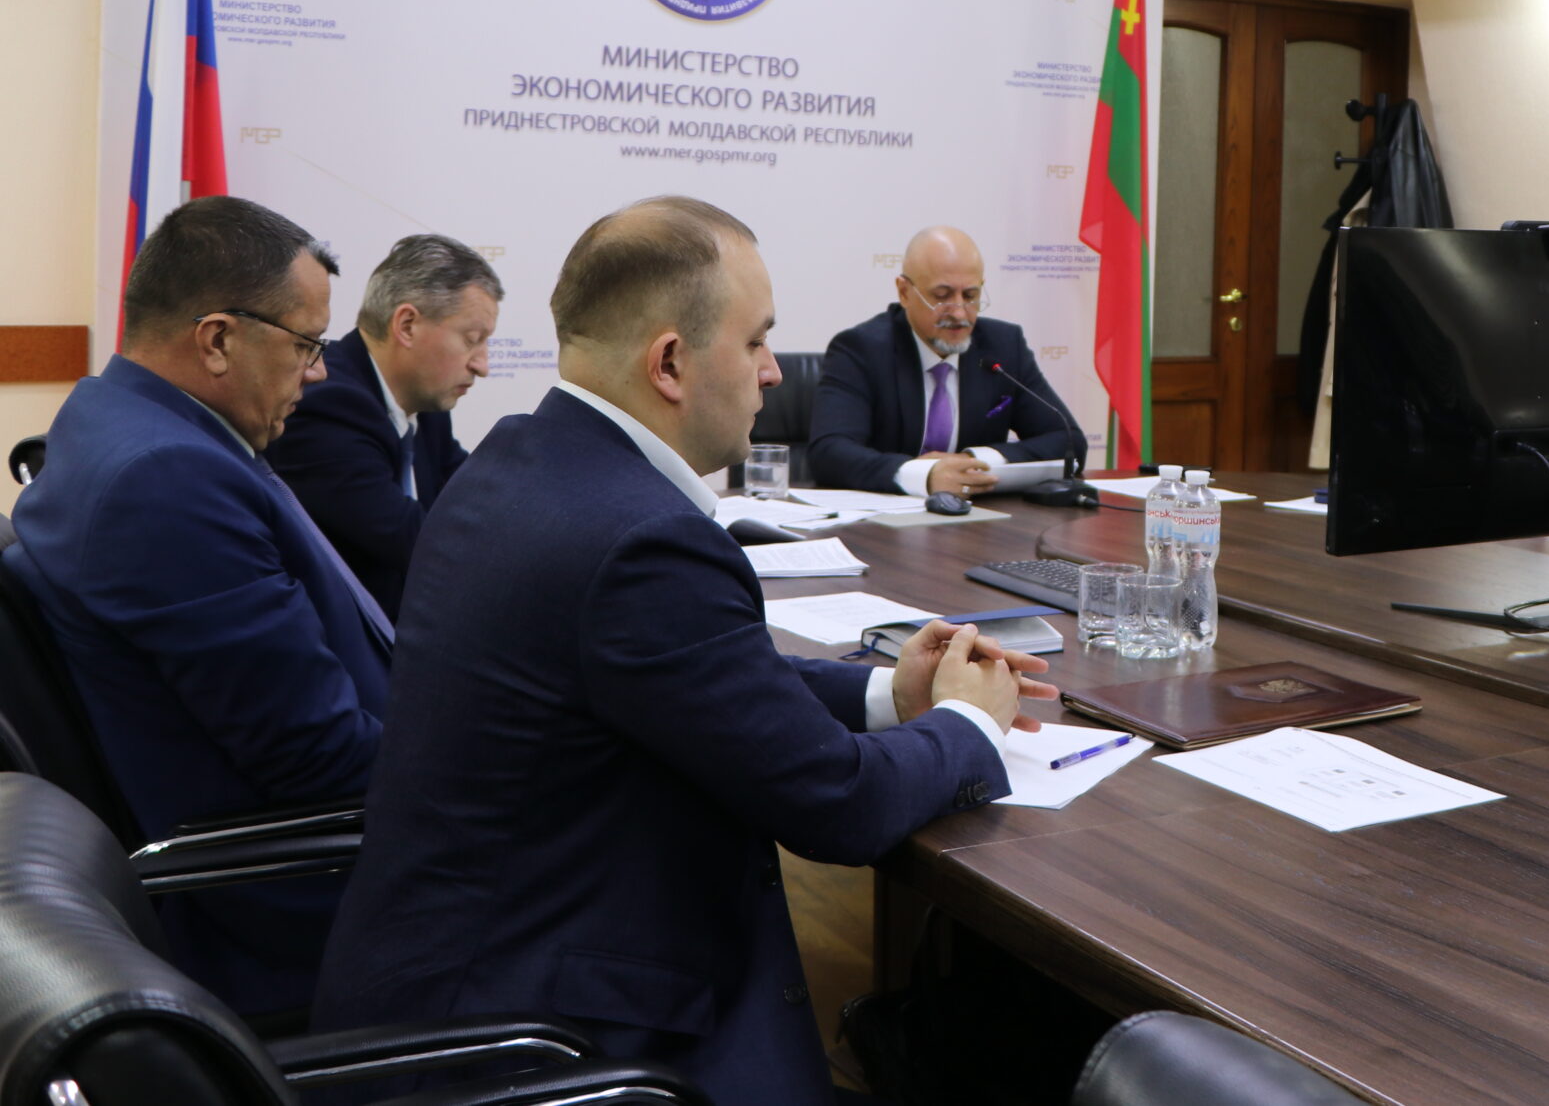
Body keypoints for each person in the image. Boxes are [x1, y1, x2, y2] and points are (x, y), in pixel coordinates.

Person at [311, 197, 1052, 1106]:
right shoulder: (642, 541)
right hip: (537, 1037)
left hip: (451, 964)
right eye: (757, 341)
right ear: (668, 362)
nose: (774, 371)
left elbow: (690, 678)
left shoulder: (519, 458)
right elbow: (838, 803)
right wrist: (970, 722)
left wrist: (887, 694)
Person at [3, 196, 390, 1015]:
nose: (319, 372)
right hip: (307, 895)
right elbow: (320, 758)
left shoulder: (114, 418)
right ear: (217, 339)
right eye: (307, 344)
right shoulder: (166, 479)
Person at [267, 234, 501, 617]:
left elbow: (477, 493)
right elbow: (422, 546)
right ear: (407, 325)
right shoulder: (326, 406)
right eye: (472, 340)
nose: (483, 365)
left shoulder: (427, 401)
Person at [809, 224, 1082, 495]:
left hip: (978, 514)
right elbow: (829, 452)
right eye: (942, 296)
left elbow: (1069, 441)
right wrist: (925, 475)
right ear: (904, 292)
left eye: (971, 296)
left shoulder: (1003, 346)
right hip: (887, 515)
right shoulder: (860, 350)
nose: (960, 313)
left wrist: (974, 460)